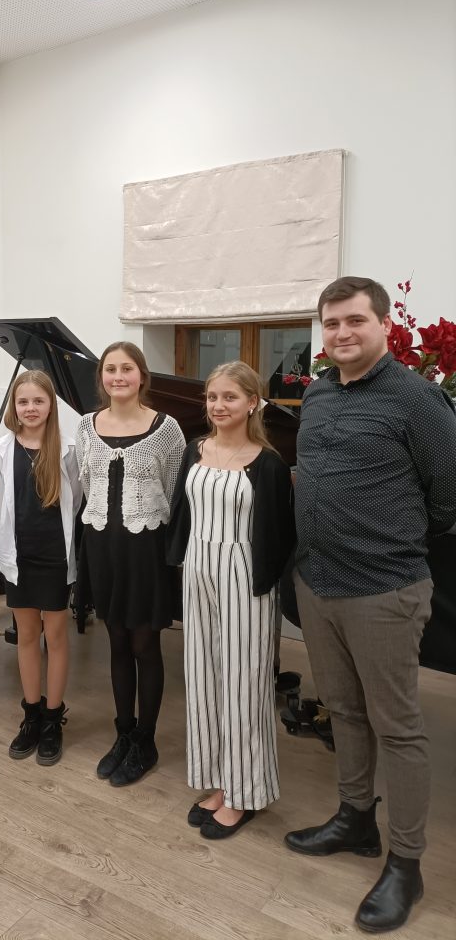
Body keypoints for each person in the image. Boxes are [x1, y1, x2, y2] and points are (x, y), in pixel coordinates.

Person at [285, 277, 456, 933]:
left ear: (383, 324)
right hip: (318, 584)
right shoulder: (320, 393)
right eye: (331, 324)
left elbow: (449, 495)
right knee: (345, 711)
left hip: (384, 590)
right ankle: (355, 818)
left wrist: (392, 537)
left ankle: (406, 863)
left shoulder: (416, 399)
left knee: (399, 728)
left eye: (354, 320)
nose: (342, 333)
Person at [167, 362, 295, 839]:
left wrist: (262, 585)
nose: (218, 406)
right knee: (203, 680)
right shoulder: (195, 449)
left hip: (244, 575)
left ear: (252, 403)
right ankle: (220, 781)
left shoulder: (269, 463)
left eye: (230, 397)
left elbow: (280, 535)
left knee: (244, 686)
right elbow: (182, 514)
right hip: (197, 570)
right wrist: (179, 562)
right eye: (212, 397)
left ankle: (245, 792)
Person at [75, 342, 185, 786]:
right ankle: (123, 732)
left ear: (142, 375)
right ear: (101, 377)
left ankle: (146, 739)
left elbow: (175, 490)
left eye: (127, 368)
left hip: (146, 553)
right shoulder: (86, 426)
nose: (118, 376)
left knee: (145, 646)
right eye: (110, 369)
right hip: (102, 548)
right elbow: (86, 483)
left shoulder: (167, 428)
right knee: (116, 643)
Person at [0, 370, 82, 765]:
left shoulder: (68, 448)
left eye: (38, 401)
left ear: (50, 406)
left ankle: (53, 718)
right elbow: (3, 507)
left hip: (54, 556)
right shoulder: (3, 448)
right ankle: (31, 714)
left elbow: (75, 500)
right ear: (15, 406)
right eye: (23, 401)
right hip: (20, 557)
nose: (30, 408)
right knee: (27, 635)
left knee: (55, 636)